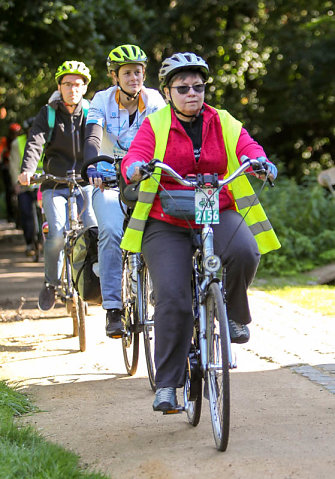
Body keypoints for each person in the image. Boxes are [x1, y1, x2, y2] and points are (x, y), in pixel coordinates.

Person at [120, 52, 280, 411]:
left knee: (245, 251)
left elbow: (248, 146)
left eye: (198, 86)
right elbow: (137, 154)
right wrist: (134, 168)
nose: (192, 93)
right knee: (173, 297)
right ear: (168, 91)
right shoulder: (156, 124)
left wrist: (260, 161)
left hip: (216, 209)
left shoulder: (221, 120)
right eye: (183, 88)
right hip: (167, 220)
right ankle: (167, 386)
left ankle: (235, 315)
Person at [83, 44, 166, 338]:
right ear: (114, 76)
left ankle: (160, 294)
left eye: (139, 72)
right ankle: (114, 308)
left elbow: (165, 135)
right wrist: (92, 163)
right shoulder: (101, 100)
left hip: (144, 179)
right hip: (106, 178)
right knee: (110, 231)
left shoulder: (154, 100)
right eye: (128, 72)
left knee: (159, 230)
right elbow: (92, 134)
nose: (134, 78)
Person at [18, 60, 97, 311]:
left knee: (93, 228)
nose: (72, 88)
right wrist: (28, 171)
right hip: (54, 184)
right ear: (59, 87)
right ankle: (51, 283)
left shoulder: (90, 112)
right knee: (57, 234)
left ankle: (93, 280)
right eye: (67, 84)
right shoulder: (48, 113)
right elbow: (35, 142)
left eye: (77, 84)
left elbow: (96, 142)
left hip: (84, 182)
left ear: (84, 88)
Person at [9, 117, 43, 256]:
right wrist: (16, 183)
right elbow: (13, 165)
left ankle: (44, 239)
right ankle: (30, 243)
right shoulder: (18, 143)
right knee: (25, 212)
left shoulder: (45, 140)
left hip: (42, 183)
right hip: (25, 185)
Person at [0, 122, 22, 222]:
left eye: (17, 132)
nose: (15, 135)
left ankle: (20, 217)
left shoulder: (22, 141)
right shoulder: (5, 141)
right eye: (13, 133)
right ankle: (10, 215)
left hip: (19, 168)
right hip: (7, 167)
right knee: (9, 191)